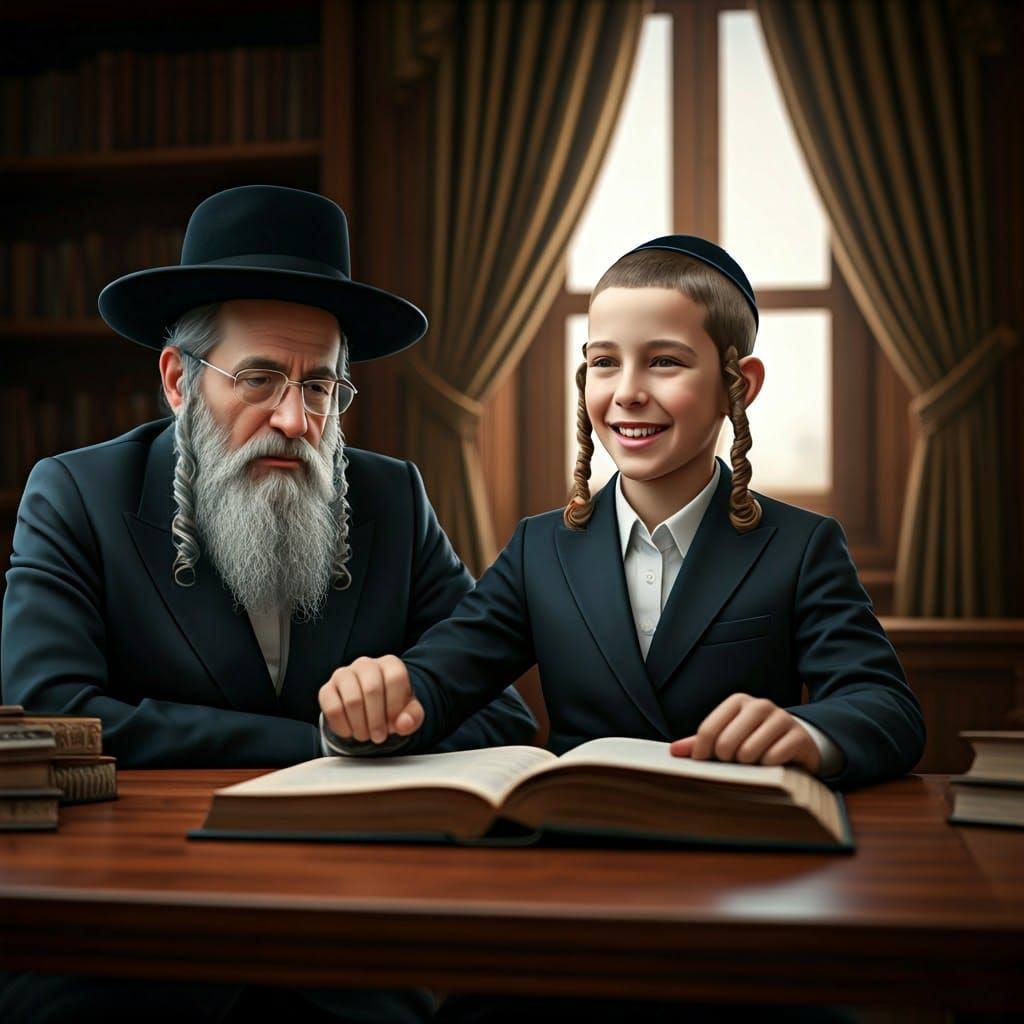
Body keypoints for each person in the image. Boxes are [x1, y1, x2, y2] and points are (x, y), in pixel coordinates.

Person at [318, 235, 926, 1021]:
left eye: (665, 362)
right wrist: (382, 698)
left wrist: (808, 734)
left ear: (739, 385)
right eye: (604, 363)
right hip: (570, 906)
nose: (627, 392)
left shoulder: (802, 546)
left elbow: (887, 706)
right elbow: (441, 675)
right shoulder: (542, 547)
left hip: (745, 907)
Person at [0, 184, 535, 1023]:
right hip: (132, 945)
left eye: (320, 387)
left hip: (349, 940)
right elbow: (52, 713)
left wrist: (402, 703)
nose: (293, 418)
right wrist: (327, 742)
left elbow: (500, 715)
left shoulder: (392, 500)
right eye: (258, 378)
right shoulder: (76, 494)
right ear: (179, 380)